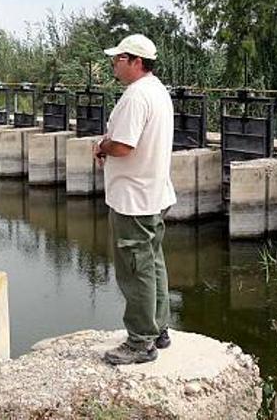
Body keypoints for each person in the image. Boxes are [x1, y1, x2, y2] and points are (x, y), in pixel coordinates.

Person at [93, 34, 176, 365]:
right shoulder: (157, 91)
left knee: (135, 268)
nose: (114, 64)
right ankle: (159, 328)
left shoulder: (136, 96)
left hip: (133, 199)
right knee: (153, 262)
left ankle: (140, 342)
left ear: (136, 62)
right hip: (154, 193)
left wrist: (102, 147)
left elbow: (124, 146)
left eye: (118, 59)